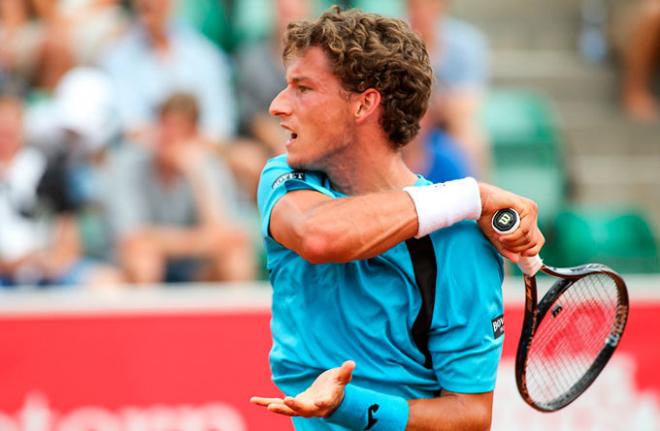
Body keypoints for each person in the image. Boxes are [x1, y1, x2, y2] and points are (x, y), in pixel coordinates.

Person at [250, 8, 543, 431]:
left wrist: (347, 406)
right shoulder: (285, 179)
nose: (278, 105)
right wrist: (471, 195)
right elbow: (318, 235)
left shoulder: (460, 240)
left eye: (303, 88)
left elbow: (470, 415)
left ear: (365, 104)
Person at [104, 93, 255, 284]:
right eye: (165, 126)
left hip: (195, 267)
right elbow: (132, 239)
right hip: (138, 267)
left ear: (194, 135)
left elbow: (226, 235)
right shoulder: (127, 164)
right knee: (143, 260)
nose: (169, 137)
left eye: (179, 131)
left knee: (236, 259)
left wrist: (196, 174)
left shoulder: (206, 165)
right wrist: (200, 241)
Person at [100, 0, 236, 144]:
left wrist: (189, 147)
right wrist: (168, 144)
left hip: (199, 151)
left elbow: (220, 123)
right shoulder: (117, 56)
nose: (149, 3)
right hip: (145, 155)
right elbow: (129, 124)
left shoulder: (204, 54)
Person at [407, 0, 490, 177]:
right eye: (416, 6)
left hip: (447, 118)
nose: (421, 13)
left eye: (429, 6)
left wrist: (435, 108)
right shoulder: (396, 36)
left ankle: (477, 196)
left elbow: (469, 100)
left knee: (468, 136)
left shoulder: (466, 42)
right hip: (406, 113)